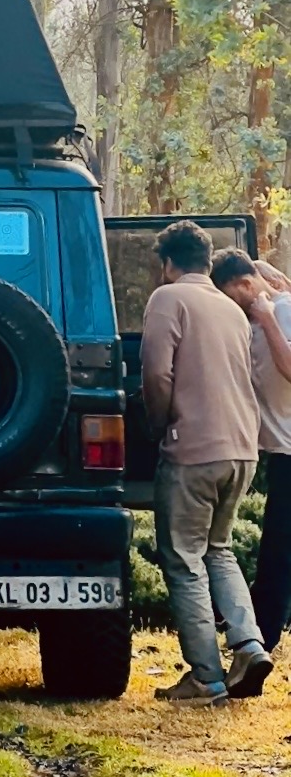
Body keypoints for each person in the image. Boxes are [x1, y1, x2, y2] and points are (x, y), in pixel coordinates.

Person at [141, 220, 271, 704]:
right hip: (241, 447)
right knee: (218, 549)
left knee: (182, 559)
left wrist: (160, 422)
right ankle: (249, 644)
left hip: (192, 449)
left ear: (168, 263)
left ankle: (205, 678)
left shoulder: (168, 299)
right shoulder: (231, 308)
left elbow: (156, 372)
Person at [211, 248, 291, 654]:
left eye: (233, 297)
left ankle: (262, 638)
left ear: (245, 285)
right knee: (276, 548)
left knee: (279, 551)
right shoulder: (258, 313)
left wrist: (265, 315)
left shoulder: (282, 311)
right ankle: (258, 636)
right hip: (279, 454)